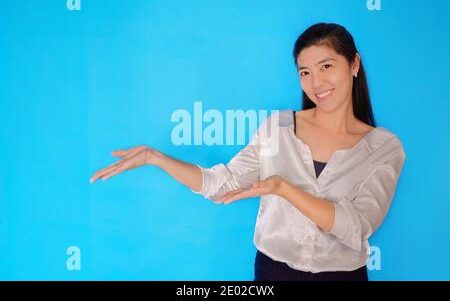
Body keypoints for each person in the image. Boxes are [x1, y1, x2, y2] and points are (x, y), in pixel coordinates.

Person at [89, 23, 406, 281]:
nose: (316, 82)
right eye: (304, 72)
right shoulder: (277, 129)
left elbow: (357, 228)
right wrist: (154, 158)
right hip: (274, 272)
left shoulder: (383, 148)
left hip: (342, 276)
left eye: (326, 66)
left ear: (354, 64)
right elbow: (221, 184)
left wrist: (284, 189)